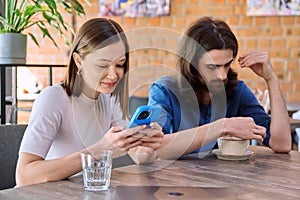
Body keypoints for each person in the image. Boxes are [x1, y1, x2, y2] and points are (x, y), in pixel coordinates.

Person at [16, 18, 163, 187]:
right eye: (102, 66)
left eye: (120, 64)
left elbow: (138, 155)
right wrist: (98, 150)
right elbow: (24, 176)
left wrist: (148, 144)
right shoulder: (54, 98)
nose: (113, 75)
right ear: (79, 61)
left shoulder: (107, 97)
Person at [149, 17, 291, 159]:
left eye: (227, 65)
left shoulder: (237, 91)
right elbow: (155, 149)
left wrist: (271, 79)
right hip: (175, 179)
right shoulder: (164, 90)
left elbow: (282, 144)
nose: (223, 76)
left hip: (224, 178)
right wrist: (223, 126)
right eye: (212, 66)